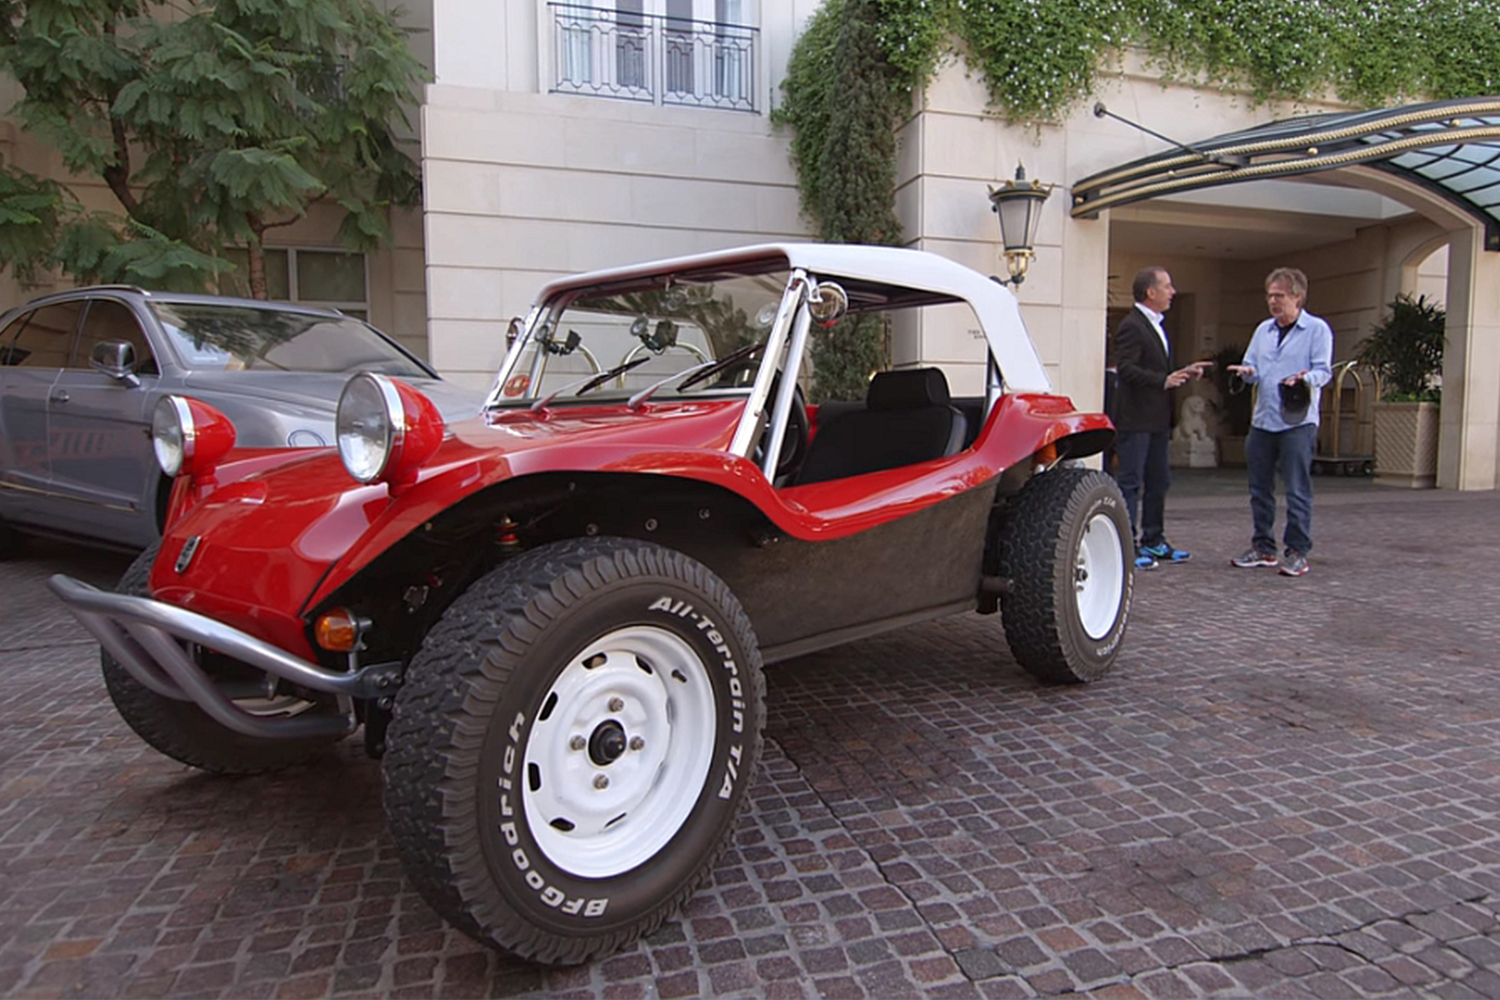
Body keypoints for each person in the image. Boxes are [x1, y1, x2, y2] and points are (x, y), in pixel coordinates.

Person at [1226, 267, 1334, 577]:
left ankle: (1298, 551)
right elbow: (1253, 366)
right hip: (1264, 419)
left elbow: (1323, 371)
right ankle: (1263, 548)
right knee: (1259, 488)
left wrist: (1303, 378)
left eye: (1280, 296)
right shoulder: (1264, 330)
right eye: (1270, 296)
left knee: (1297, 488)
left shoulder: (1317, 330)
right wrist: (1246, 373)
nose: (1273, 302)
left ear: (1297, 297)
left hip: (1297, 421)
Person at [1112, 267, 1208, 571]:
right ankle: (1128, 543)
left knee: (1159, 481)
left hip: (1156, 420)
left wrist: (1182, 371)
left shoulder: (1155, 326)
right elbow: (1125, 368)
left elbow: (1154, 367)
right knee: (1131, 482)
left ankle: (1155, 539)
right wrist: (1162, 380)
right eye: (1167, 286)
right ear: (1150, 292)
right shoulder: (1132, 325)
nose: (1172, 292)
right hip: (1135, 419)